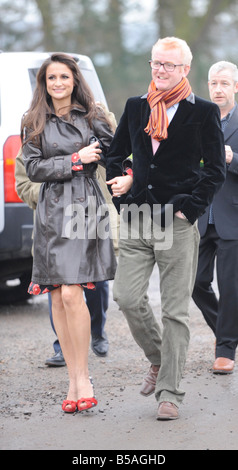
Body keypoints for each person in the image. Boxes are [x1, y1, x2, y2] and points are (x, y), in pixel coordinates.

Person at [106, 36, 226, 420]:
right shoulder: (136, 106)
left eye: (168, 65)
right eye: (155, 63)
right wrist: (123, 185)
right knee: (126, 297)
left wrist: (189, 210)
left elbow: (215, 172)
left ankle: (169, 392)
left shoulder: (203, 112)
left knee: (175, 311)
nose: (160, 70)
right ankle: (159, 359)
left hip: (176, 223)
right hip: (138, 219)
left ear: (185, 70)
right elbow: (115, 154)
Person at [21, 52, 117, 413]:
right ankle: (72, 378)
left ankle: (84, 377)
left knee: (74, 293)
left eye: (64, 77)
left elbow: (116, 155)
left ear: (75, 80)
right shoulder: (32, 120)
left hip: (85, 207)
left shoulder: (93, 116)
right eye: (51, 78)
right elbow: (33, 168)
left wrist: (127, 172)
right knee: (59, 296)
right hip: (50, 211)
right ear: (44, 84)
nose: (58, 83)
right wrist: (76, 160)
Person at [15, 103, 118, 362]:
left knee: (95, 284)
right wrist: (55, 196)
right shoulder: (36, 126)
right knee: (59, 285)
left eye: (65, 77)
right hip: (54, 220)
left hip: (92, 215)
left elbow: (116, 162)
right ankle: (63, 344)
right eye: (53, 78)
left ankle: (96, 330)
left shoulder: (98, 119)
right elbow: (24, 180)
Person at [192, 61, 238, 374]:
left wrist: (234, 158)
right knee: (194, 282)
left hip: (232, 214)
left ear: (236, 87)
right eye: (213, 83)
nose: (217, 89)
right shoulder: (199, 119)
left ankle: (225, 350)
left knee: (230, 285)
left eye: (224, 83)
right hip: (199, 216)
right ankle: (227, 333)